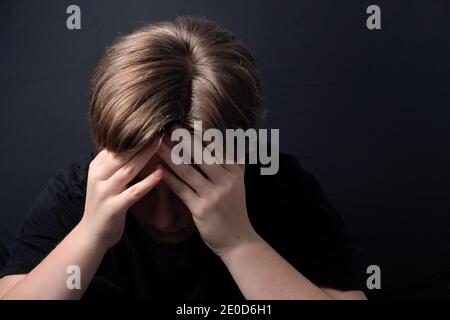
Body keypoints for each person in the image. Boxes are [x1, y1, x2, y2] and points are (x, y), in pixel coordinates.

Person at [0, 16, 366, 300]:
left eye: (190, 185)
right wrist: (90, 235)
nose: (164, 219)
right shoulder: (79, 192)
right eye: (140, 186)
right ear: (103, 146)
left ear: (241, 150)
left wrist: (239, 244)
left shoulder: (280, 188)